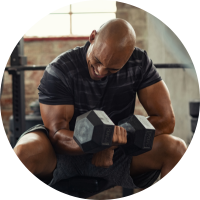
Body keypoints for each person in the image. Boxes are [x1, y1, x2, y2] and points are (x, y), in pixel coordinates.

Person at [14, 18, 187, 193]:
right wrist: (100, 143)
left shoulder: (139, 63)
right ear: (92, 37)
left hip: (118, 154)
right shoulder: (61, 69)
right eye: (97, 60)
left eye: (112, 69)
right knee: (24, 152)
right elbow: (58, 136)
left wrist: (112, 143)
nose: (101, 71)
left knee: (176, 149)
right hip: (64, 155)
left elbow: (166, 121)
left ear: (128, 58)